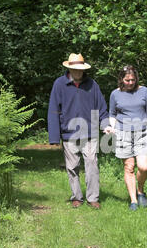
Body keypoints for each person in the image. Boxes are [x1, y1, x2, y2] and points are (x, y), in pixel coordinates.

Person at [48, 53, 111, 209]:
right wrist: (54, 137)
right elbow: (53, 110)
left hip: (90, 133)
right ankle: (76, 196)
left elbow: (101, 108)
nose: (77, 72)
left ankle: (92, 198)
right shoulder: (59, 84)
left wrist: (106, 125)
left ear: (83, 69)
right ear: (69, 68)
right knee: (72, 166)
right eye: (74, 69)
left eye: (80, 69)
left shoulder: (92, 84)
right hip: (69, 133)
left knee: (92, 164)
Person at [105, 65, 147, 211]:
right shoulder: (115, 94)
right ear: (121, 80)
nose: (130, 82)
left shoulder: (144, 91)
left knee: (143, 167)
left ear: (136, 79)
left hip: (142, 133)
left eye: (132, 80)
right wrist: (112, 126)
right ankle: (134, 200)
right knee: (129, 167)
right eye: (127, 80)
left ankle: (140, 190)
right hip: (123, 134)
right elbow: (112, 113)